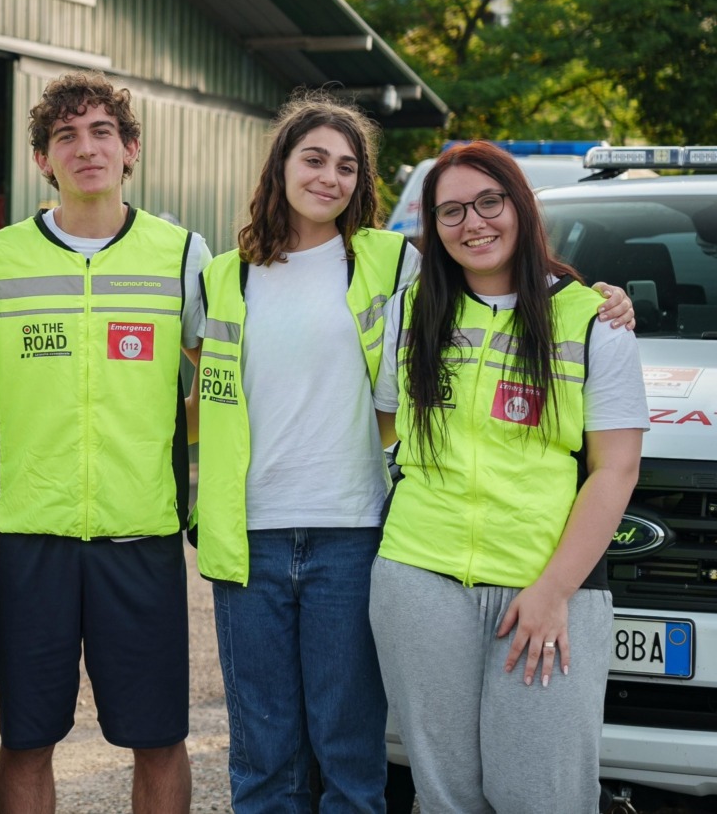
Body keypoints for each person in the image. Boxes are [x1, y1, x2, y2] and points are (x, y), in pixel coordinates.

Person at [189, 96, 635, 814]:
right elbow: (199, 390)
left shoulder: (395, 261)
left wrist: (602, 293)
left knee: (351, 757)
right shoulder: (221, 275)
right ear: (279, 165)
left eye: (347, 165)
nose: (329, 177)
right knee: (263, 755)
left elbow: (500, 272)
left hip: (355, 530)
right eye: (313, 159)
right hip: (251, 538)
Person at [369, 141, 647, 813]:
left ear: (519, 206)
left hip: (547, 586)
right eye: (451, 211)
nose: (474, 222)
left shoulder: (590, 320)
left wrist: (553, 590)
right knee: (445, 796)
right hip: (419, 577)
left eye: (489, 201)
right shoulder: (410, 313)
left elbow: (617, 468)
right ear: (433, 228)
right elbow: (380, 432)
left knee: (542, 793)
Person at [0, 71, 209, 814]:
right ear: (44, 158)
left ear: (130, 148)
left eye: (102, 131)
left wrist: (169, 437)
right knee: (26, 736)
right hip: (33, 533)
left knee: (160, 735)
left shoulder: (181, 254)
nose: (85, 148)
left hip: (140, 532)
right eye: (65, 135)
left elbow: (223, 373)